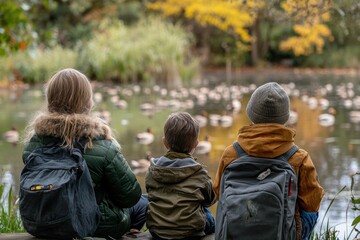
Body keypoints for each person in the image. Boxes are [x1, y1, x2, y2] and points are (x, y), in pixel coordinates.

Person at [22, 68, 148, 239]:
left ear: (50, 101)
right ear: (87, 103)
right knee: (142, 203)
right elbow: (130, 196)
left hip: (41, 223)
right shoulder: (103, 145)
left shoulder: (33, 145)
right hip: (95, 226)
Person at [213, 82, 325, 240]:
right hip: (282, 233)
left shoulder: (231, 154)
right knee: (311, 213)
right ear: (285, 118)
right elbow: (312, 203)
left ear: (251, 114)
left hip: (236, 230)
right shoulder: (299, 157)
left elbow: (217, 192)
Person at [145, 112, 216, 240]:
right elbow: (210, 199)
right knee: (207, 214)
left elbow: (150, 193)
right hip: (190, 233)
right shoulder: (199, 173)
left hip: (157, 231)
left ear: (164, 142)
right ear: (196, 144)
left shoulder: (152, 170)